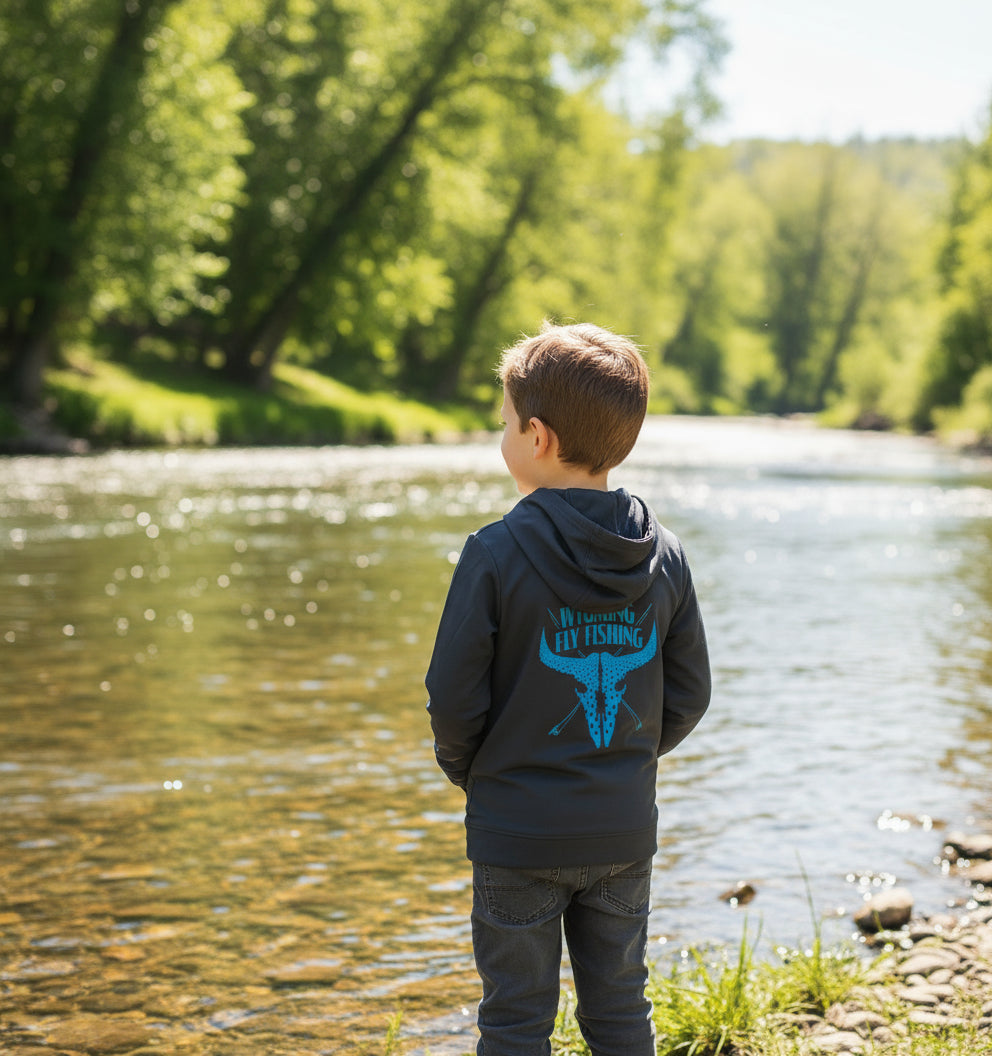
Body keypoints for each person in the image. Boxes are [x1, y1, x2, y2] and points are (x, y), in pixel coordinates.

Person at [425, 322, 711, 1056]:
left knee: (515, 1022)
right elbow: (689, 695)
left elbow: (452, 701)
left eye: (505, 425)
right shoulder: (666, 556)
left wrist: (478, 774)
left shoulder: (492, 552)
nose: (503, 440)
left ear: (539, 437)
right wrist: (625, 757)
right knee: (620, 1012)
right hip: (621, 830)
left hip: (516, 832)